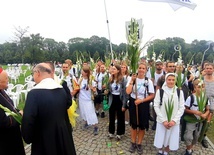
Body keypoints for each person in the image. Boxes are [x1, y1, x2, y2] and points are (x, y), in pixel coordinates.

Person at [21, 63, 76, 155]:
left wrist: (28, 137)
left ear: (37, 73)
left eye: (33, 73)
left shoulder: (34, 94)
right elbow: (67, 104)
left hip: (43, 140)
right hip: (62, 136)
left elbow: (28, 120)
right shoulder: (61, 89)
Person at [126, 63, 155, 154]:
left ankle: (139, 143)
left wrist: (142, 101)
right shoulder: (133, 79)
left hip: (143, 104)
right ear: (137, 69)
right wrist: (132, 81)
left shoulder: (148, 81)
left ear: (146, 70)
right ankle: (133, 142)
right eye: (140, 68)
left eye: (143, 68)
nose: (141, 70)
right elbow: (128, 92)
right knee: (134, 124)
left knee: (142, 125)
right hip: (133, 102)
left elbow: (152, 95)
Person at [153, 73, 185, 155]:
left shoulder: (179, 92)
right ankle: (160, 151)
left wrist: (174, 120)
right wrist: (163, 120)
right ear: (166, 80)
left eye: (173, 80)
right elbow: (156, 106)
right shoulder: (160, 92)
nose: (171, 81)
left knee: (171, 138)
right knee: (161, 137)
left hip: (174, 121)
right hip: (162, 120)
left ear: (176, 81)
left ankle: (166, 152)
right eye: (169, 79)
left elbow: (182, 107)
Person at [0, 68, 25, 155]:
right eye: (6, 78)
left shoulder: (2, 91)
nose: (8, 80)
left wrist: (18, 111)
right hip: (5, 141)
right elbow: (3, 121)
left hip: (12, 136)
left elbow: (10, 107)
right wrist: (19, 116)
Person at [183, 79, 210, 155]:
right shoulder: (191, 98)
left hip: (199, 122)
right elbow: (185, 109)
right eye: (199, 87)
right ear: (195, 88)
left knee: (196, 137)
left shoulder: (205, 98)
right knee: (188, 137)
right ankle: (188, 151)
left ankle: (190, 148)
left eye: (203, 87)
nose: (201, 89)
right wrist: (194, 112)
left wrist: (205, 114)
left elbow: (207, 109)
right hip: (191, 120)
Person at [107, 64, 128, 141]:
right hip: (112, 98)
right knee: (111, 116)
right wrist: (107, 91)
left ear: (118, 70)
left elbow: (125, 93)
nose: (112, 70)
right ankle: (111, 131)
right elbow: (109, 90)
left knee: (120, 117)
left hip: (120, 99)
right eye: (112, 69)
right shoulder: (110, 79)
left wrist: (124, 105)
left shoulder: (123, 79)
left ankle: (120, 133)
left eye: (114, 69)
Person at [77, 65, 99, 135]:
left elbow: (95, 91)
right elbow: (78, 87)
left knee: (91, 113)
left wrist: (92, 88)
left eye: (83, 71)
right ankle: (86, 122)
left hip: (88, 100)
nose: (81, 72)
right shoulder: (80, 79)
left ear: (86, 72)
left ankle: (95, 127)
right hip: (81, 99)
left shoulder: (91, 80)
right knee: (83, 112)